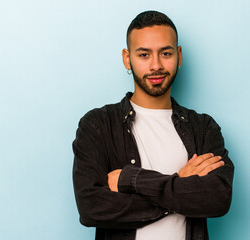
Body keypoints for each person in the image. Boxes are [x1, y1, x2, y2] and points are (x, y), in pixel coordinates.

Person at [72, 10, 234, 240]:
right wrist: (180, 184)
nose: (156, 65)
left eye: (165, 53)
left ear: (178, 55)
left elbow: (217, 197)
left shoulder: (203, 127)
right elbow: (92, 208)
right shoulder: (97, 125)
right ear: (127, 58)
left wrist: (131, 180)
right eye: (144, 55)